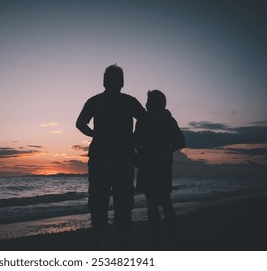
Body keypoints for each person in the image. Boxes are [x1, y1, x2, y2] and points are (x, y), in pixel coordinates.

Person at [76, 64, 145, 250]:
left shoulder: (96, 101)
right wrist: (135, 138)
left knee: (101, 200)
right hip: (119, 158)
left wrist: (95, 135)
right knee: (121, 200)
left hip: (106, 157)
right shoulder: (128, 101)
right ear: (121, 82)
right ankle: (117, 243)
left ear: (105, 82)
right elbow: (145, 120)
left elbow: (80, 124)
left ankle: (100, 242)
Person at [134, 90, 185, 249]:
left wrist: (146, 150)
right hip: (160, 164)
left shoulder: (146, 120)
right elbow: (180, 141)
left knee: (154, 204)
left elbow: (135, 141)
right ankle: (174, 239)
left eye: (149, 100)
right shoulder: (167, 120)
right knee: (164, 202)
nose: (147, 103)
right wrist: (165, 150)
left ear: (155, 102)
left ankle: (157, 241)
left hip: (151, 165)